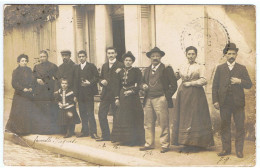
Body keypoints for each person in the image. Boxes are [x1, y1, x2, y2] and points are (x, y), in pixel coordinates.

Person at [212, 43, 252, 158]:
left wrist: (240, 81)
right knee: (225, 126)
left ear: (236, 55)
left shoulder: (242, 68)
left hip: (238, 103)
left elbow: (249, 84)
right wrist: (215, 100)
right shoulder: (220, 68)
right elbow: (215, 86)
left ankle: (239, 150)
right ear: (225, 55)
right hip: (224, 102)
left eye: (233, 53)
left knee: (240, 126)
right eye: (229, 53)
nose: (231, 55)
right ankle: (226, 149)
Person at [171, 46, 214, 150]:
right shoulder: (182, 66)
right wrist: (170, 70)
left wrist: (191, 83)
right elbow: (175, 78)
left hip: (196, 94)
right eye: (189, 54)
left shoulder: (200, 67)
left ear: (196, 55)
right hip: (183, 94)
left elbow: (204, 80)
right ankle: (184, 142)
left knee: (195, 116)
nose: (191, 56)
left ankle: (197, 142)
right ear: (186, 55)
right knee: (184, 116)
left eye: (193, 54)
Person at [139, 47, 178, 153]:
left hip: (161, 98)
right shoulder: (146, 70)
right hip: (148, 99)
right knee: (148, 123)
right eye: (153, 56)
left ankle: (165, 145)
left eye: (157, 56)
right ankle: (149, 144)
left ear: (160, 57)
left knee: (163, 122)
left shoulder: (166, 69)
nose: (155, 58)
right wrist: (143, 86)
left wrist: (166, 96)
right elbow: (141, 83)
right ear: (150, 58)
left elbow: (174, 85)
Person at [111, 51, 145, 146]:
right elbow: (116, 85)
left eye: (130, 60)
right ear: (124, 61)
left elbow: (139, 83)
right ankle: (123, 139)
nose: (128, 62)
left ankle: (134, 140)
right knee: (122, 116)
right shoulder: (119, 71)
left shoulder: (136, 71)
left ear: (133, 61)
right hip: (122, 95)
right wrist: (117, 98)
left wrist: (132, 91)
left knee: (133, 116)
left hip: (133, 97)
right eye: (126, 60)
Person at [97, 47, 124, 141]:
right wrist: (102, 81)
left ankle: (115, 136)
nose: (111, 55)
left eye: (112, 53)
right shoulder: (104, 66)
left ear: (116, 54)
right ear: (107, 54)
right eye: (109, 53)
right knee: (101, 114)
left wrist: (119, 96)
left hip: (116, 94)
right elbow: (100, 78)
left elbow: (122, 81)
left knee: (116, 116)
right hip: (105, 94)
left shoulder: (121, 65)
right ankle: (105, 135)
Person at [31, 50, 59, 134]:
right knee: (40, 110)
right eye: (41, 57)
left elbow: (57, 78)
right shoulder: (36, 67)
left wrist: (55, 89)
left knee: (50, 110)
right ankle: (40, 129)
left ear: (47, 57)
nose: (42, 58)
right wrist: (37, 79)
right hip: (39, 92)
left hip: (49, 91)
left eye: (44, 56)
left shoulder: (53, 66)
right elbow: (33, 77)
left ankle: (50, 130)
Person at [5, 54, 34, 135]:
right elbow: (14, 83)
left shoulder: (29, 70)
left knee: (27, 111)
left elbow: (32, 80)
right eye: (22, 61)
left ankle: (26, 130)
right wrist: (22, 89)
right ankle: (18, 130)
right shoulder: (16, 71)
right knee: (19, 112)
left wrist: (31, 87)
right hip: (19, 94)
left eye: (25, 61)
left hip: (28, 94)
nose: (24, 62)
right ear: (18, 62)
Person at [74, 50, 99, 139]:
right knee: (82, 113)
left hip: (89, 93)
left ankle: (94, 132)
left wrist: (90, 82)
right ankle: (85, 131)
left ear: (86, 57)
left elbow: (97, 77)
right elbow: (75, 82)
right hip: (80, 95)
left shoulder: (91, 66)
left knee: (90, 113)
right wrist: (75, 95)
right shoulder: (76, 68)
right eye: (79, 57)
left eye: (83, 56)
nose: (81, 58)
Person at [55, 50, 77, 134]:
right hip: (62, 92)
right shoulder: (60, 67)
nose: (64, 57)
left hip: (71, 93)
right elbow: (57, 80)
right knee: (63, 113)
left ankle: (71, 130)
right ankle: (64, 130)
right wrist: (57, 90)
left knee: (71, 112)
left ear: (70, 56)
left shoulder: (74, 66)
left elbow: (76, 81)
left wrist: (75, 94)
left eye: (66, 55)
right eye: (63, 55)